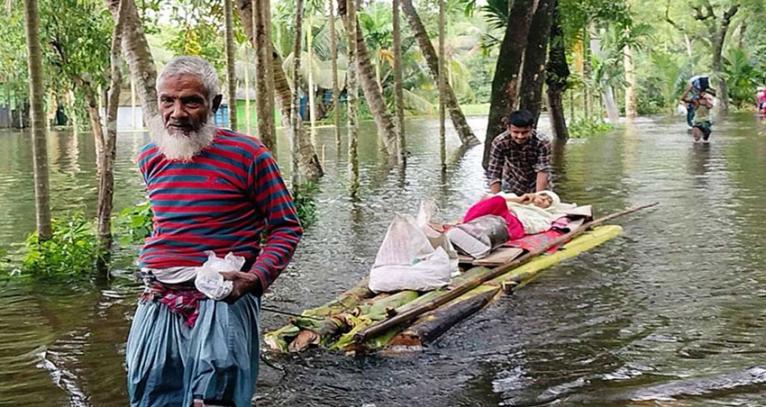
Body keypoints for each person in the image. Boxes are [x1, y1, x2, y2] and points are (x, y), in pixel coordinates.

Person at [127, 56, 303, 406]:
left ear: (215, 104)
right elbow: (169, 223)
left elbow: (286, 227)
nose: (176, 112)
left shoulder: (249, 155)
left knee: (215, 397)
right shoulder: (151, 157)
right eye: (167, 101)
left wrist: (255, 279)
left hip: (224, 296)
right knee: (152, 392)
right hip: (160, 295)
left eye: (191, 101)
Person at [486, 109, 552, 196]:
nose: (520, 136)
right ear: (508, 128)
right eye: (516, 132)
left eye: (525, 132)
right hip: (511, 182)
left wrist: (538, 196)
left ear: (532, 128)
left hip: (538, 182)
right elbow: (494, 172)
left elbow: (543, 170)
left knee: (542, 204)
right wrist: (498, 198)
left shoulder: (542, 142)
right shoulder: (500, 142)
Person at [462, 190, 568, 240]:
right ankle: (466, 224)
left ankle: (471, 229)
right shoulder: (515, 197)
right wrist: (518, 200)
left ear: (550, 207)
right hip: (498, 215)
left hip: (514, 224)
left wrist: (512, 212)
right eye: (543, 195)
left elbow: (531, 227)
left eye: (548, 201)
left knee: (498, 202)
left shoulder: (544, 216)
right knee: (498, 200)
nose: (543, 199)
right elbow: (485, 199)